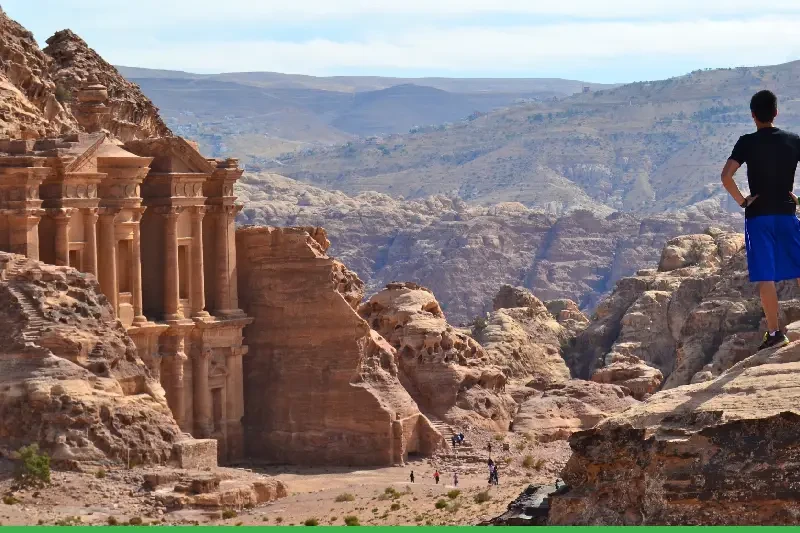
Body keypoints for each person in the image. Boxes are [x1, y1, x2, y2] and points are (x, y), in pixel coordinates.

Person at [721, 89, 800, 350]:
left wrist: (743, 201)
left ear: (753, 115)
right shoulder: (793, 140)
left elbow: (726, 176)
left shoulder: (746, 142)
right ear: (776, 112)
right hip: (787, 212)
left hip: (759, 216)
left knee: (766, 276)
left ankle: (775, 332)